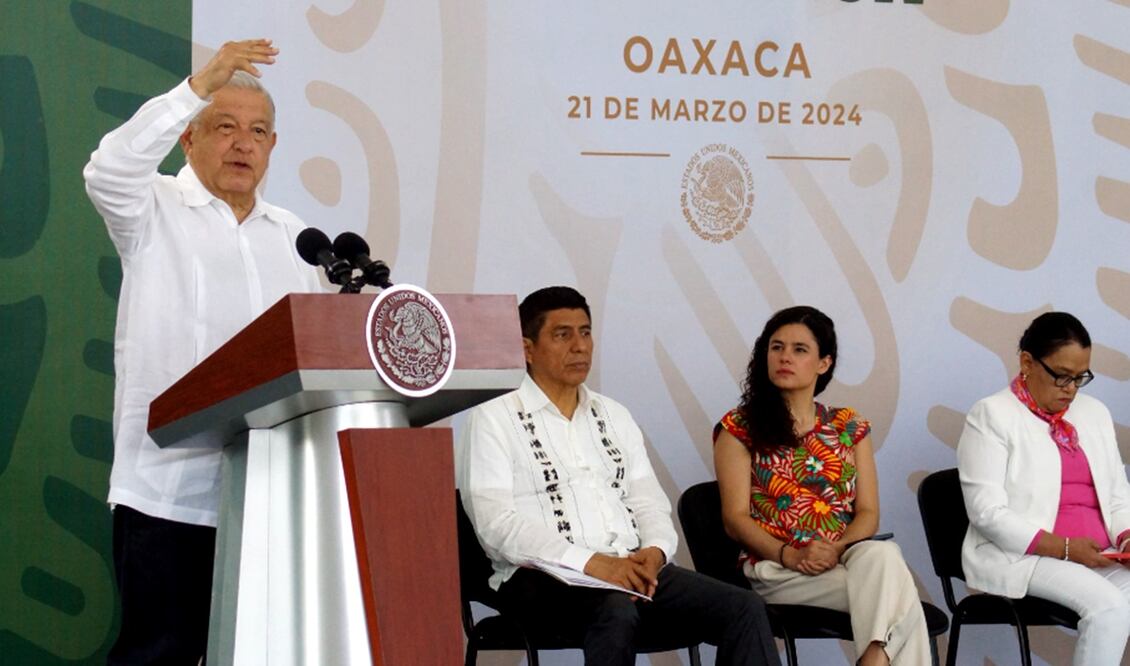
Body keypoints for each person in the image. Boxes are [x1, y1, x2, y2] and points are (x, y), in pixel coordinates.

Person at [83, 39, 321, 664]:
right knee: (160, 655)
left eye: (258, 132)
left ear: (273, 147)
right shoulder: (152, 208)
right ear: (189, 141)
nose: (243, 143)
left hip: (272, 498)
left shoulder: (298, 240)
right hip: (169, 492)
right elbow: (106, 170)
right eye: (225, 127)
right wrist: (194, 88)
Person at [457, 286, 781, 666]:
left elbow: (647, 499)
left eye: (586, 331)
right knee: (614, 611)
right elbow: (497, 525)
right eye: (562, 335)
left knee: (742, 606)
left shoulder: (614, 415)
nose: (580, 346)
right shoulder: (493, 417)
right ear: (527, 349)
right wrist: (592, 564)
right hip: (539, 578)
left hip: (629, 567)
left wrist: (654, 553)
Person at [713, 306, 930, 666]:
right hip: (777, 568)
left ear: (824, 363)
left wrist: (837, 547)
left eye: (800, 350)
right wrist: (791, 555)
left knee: (882, 557)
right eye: (776, 347)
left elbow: (868, 513)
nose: (785, 357)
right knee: (897, 597)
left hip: (844, 560)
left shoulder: (849, 426)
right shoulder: (739, 427)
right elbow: (734, 519)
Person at [958, 312, 1130, 665]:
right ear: (1027, 362)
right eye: (1061, 376)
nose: (1070, 389)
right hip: (1026, 556)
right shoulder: (991, 415)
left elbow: (1117, 495)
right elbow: (986, 512)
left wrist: (1126, 537)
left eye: (1080, 378)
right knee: (1109, 609)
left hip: (1100, 554)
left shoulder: (1093, 413)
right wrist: (1065, 548)